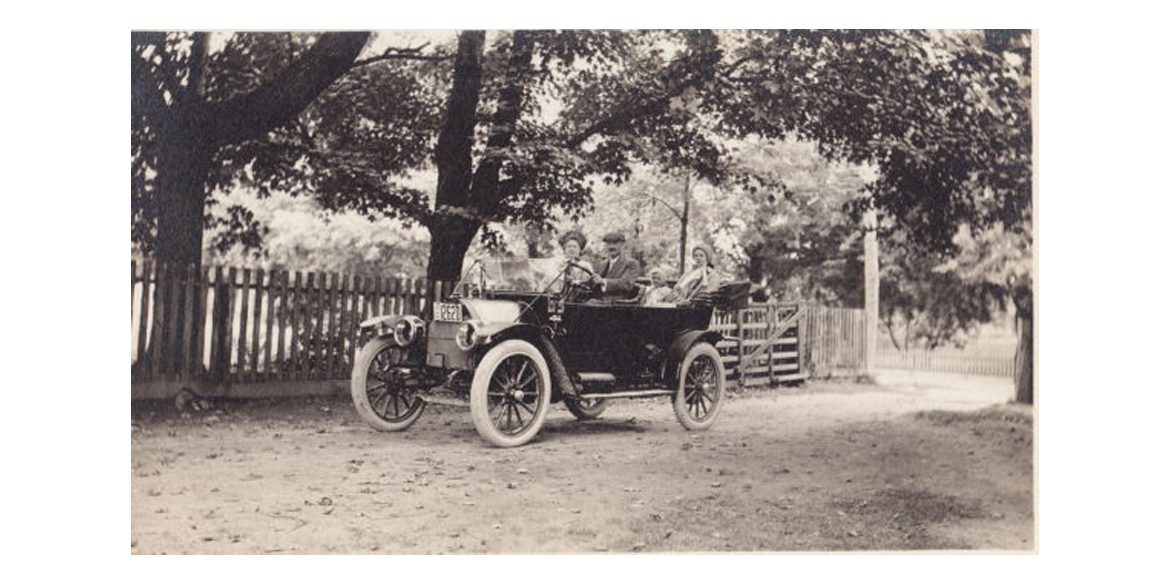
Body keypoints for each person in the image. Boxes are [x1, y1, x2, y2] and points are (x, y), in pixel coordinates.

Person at [590, 231, 641, 301]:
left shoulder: (631, 264)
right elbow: (594, 282)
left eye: (615, 243)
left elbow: (626, 284)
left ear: (622, 245)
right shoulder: (602, 264)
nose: (611, 247)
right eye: (608, 243)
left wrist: (603, 281)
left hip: (618, 304)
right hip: (599, 301)